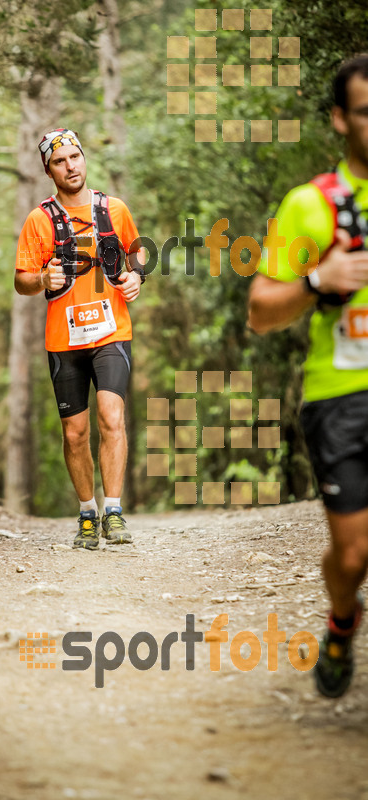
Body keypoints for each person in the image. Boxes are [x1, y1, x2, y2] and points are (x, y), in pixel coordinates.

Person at [247, 56, 368, 698]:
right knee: (352, 556)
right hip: (340, 395)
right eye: (367, 110)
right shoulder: (310, 205)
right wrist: (320, 282)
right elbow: (261, 310)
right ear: (340, 120)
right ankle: (342, 623)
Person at [15, 128, 145, 551]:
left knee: (112, 418)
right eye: (60, 161)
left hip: (111, 333)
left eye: (75, 156)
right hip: (64, 341)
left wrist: (135, 276)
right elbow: (21, 281)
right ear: (48, 169)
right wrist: (41, 278)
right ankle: (87, 513)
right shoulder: (39, 220)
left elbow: (137, 250)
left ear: (84, 159)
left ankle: (114, 511)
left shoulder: (115, 209)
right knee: (74, 434)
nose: (71, 166)